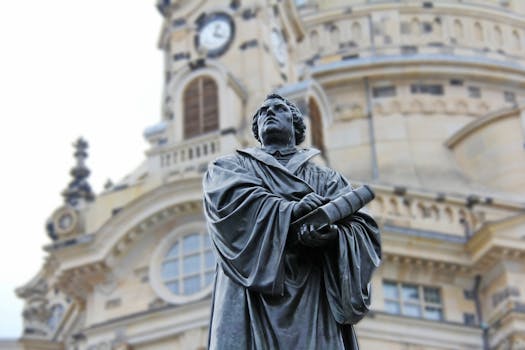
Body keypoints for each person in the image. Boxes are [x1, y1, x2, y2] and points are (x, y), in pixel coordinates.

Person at [203, 93, 381, 349]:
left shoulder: (327, 178)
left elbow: (361, 228)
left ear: (296, 124)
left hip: (312, 292)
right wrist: (290, 210)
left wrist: (332, 236)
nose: (269, 113)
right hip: (251, 294)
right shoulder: (230, 167)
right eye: (263, 112)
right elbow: (229, 202)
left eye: (278, 109)